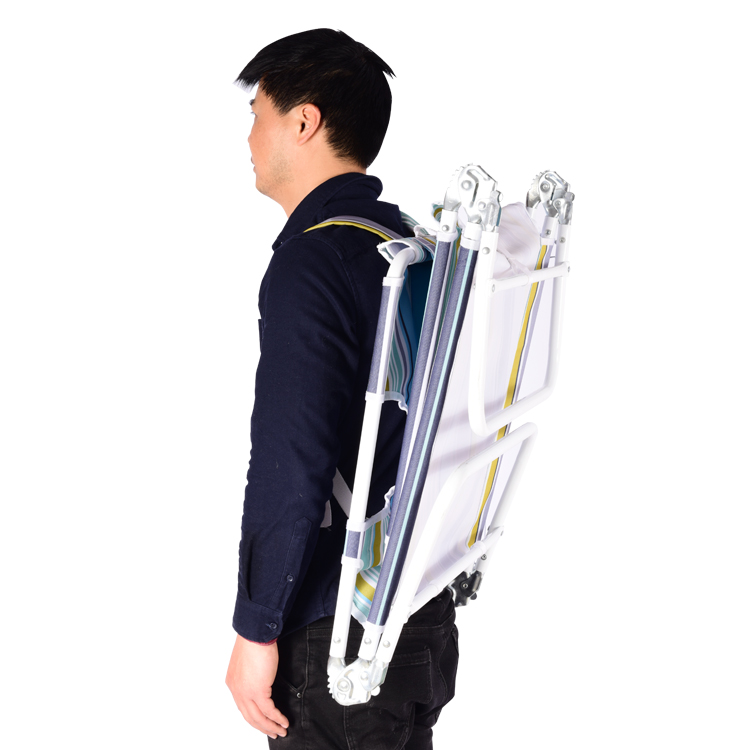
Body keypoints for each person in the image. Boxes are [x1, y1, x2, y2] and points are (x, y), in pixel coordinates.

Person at [225, 29, 459, 750]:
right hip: (417, 614)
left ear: (304, 121)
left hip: (337, 642)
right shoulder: (405, 245)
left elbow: (290, 464)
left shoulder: (314, 262)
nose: (249, 136)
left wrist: (255, 628)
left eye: (258, 114)